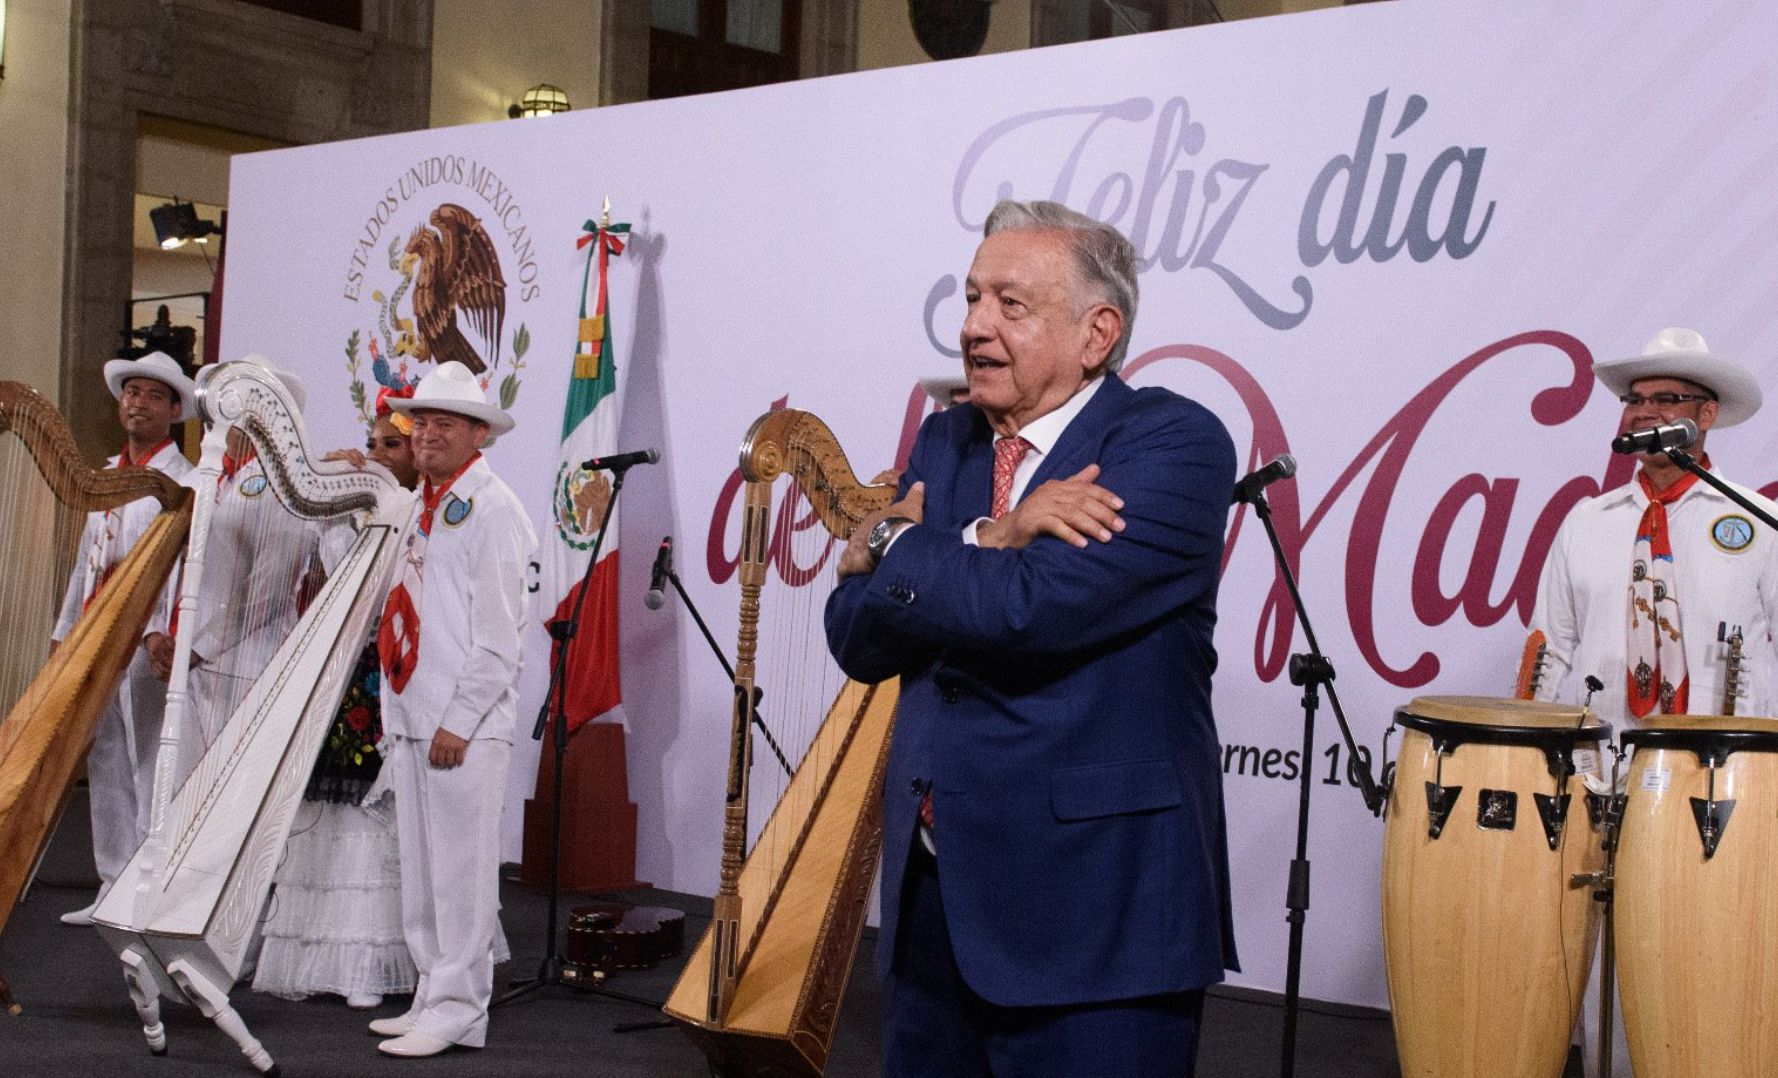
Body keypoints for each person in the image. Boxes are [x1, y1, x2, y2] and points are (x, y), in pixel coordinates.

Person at [824, 199, 1239, 1078]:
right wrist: (990, 536)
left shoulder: (1174, 443)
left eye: (1009, 304)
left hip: (1096, 917)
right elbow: (856, 636)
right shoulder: (947, 440)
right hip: (933, 908)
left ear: (1098, 332)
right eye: (972, 298)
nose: (973, 326)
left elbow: (1030, 611)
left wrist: (894, 541)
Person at [1529, 327, 1778, 1078]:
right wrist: (1539, 760)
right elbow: (1553, 651)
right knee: (1602, 958)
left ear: (1705, 417)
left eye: (1664, 398)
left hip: (1720, 786)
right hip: (1600, 777)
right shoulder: (1586, 522)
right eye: (1634, 400)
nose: (1642, 412)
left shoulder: (1755, 524)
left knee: (1709, 957)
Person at [369, 361, 535, 1058]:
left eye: (445, 423)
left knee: (462, 875)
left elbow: (500, 639)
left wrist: (458, 721)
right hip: (411, 714)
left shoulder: (494, 509)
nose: (428, 434)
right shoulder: (422, 505)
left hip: (459, 727)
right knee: (423, 872)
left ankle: (461, 1007)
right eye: (422, 423)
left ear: (478, 434)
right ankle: (431, 993)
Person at [252, 403, 421, 1010]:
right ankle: (314, 953)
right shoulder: (351, 513)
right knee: (322, 809)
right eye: (371, 444)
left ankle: (369, 962)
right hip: (337, 672)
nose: (375, 454)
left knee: (372, 817)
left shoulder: (419, 516)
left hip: (388, 672)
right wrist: (334, 493)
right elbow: (328, 582)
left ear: (414, 459)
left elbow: (385, 597)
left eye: (390, 447)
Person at [53, 352, 195, 926]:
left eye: (153, 395)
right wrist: (67, 633)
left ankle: (147, 888)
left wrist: (164, 629)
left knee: (147, 759)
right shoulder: (107, 474)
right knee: (107, 756)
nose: (138, 402)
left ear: (175, 410)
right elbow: (88, 564)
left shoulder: (183, 481)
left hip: (145, 640)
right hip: (98, 633)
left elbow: (183, 566)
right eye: (131, 392)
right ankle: (112, 880)